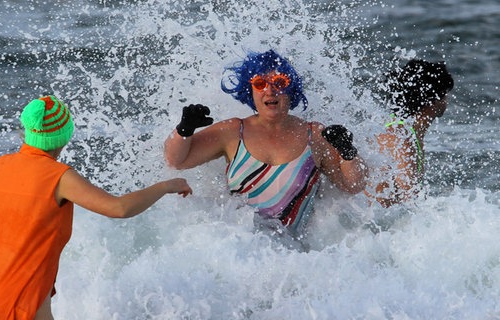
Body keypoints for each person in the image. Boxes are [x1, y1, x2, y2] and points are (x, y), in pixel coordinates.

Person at [0, 95, 192, 319]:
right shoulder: (60, 178)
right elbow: (119, 208)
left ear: (27, 133)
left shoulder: (2, 166)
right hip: (20, 302)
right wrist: (165, 186)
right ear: (64, 137)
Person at [164, 49, 367, 238]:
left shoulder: (314, 136)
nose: (270, 91)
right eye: (259, 84)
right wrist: (184, 130)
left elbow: (352, 185)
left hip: (296, 259)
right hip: (238, 249)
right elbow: (177, 160)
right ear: (249, 91)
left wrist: (348, 153)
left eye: (279, 82)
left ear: (291, 89)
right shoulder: (233, 132)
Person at [371, 59, 454, 207]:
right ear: (433, 99)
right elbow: (408, 201)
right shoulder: (402, 139)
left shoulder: (403, 130)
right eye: (445, 94)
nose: (447, 100)